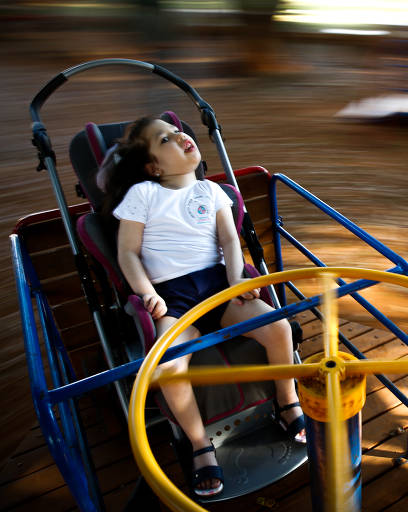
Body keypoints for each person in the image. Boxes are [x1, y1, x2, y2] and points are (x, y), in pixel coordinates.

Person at [102, 116, 306, 497]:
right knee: (167, 366)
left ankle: (286, 400)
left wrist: (235, 280)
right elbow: (127, 253)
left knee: (279, 327)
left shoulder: (213, 192)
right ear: (153, 166)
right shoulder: (144, 194)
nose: (181, 136)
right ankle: (199, 443)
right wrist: (148, 292)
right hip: (173, 296)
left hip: (217, 284)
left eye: (180, 131)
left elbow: (230, 241)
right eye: (166, 138)